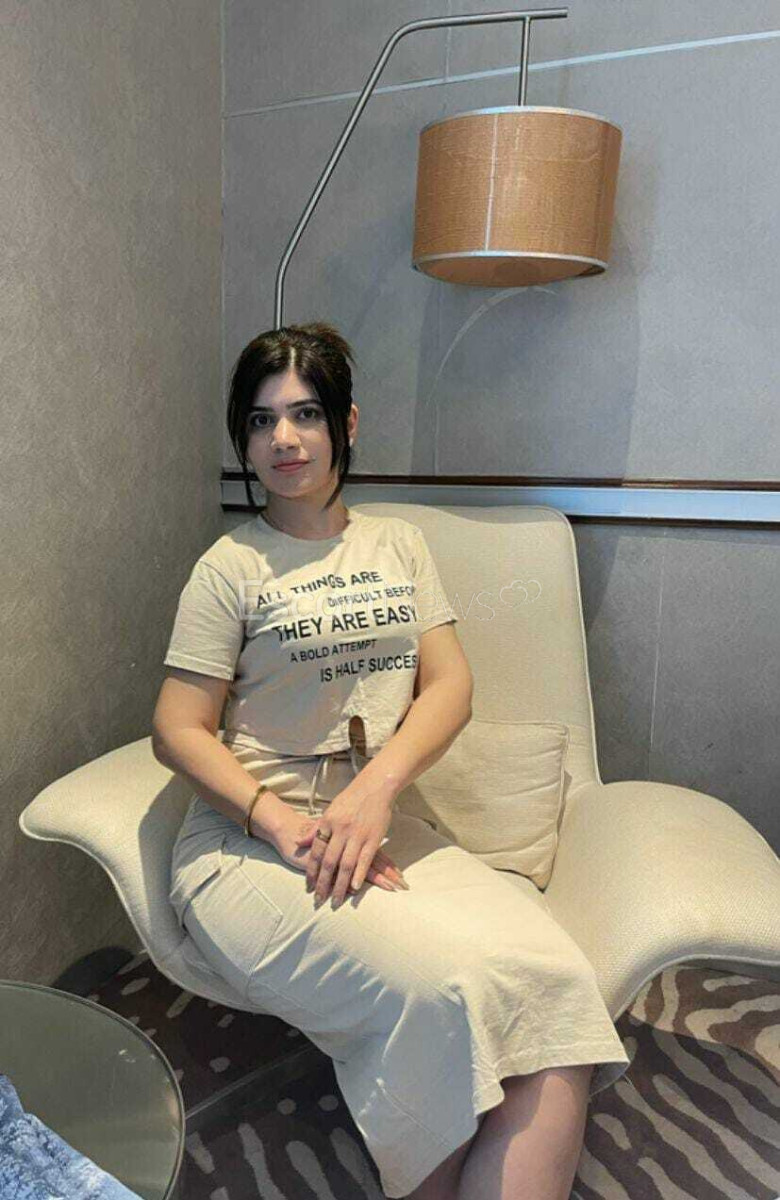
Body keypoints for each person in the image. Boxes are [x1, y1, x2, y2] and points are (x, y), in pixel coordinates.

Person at [152, 322, 631, 1200]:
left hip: (377, 823)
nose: (284, 438)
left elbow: (450, 685)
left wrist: (375, 791)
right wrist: (283, 825)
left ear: (346, 423)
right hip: (249, 845)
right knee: (441, 995)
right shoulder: (229, 567)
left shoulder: (398, 546)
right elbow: (177, 729)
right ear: (243, 441)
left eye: (305, 414)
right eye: (260, 421)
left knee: (560, 986)